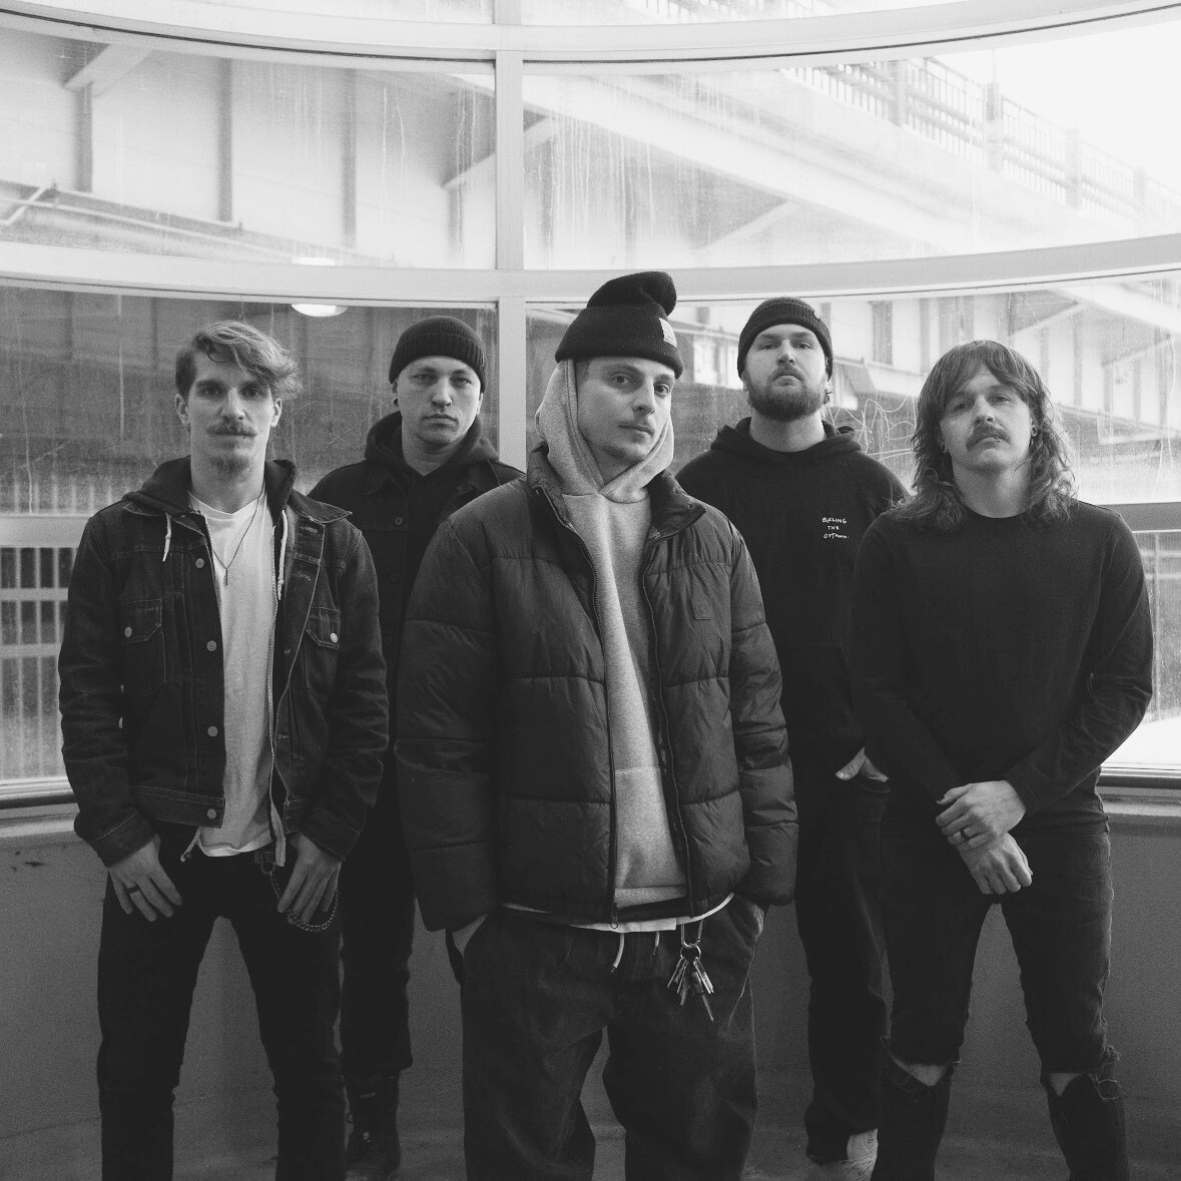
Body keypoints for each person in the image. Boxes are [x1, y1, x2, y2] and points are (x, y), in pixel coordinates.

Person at [396, 271, 797, 1180]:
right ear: (563, 385)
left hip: (695, 922)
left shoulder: (711, 539)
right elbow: (436, 741)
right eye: (622, 378)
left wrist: (759, 885)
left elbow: (757, 718)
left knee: (699, 1147)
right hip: (537, 927)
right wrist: (467, 917)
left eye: (662, 386)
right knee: (523, 1156)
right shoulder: (478, 536)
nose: (647, 404)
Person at [59, 321, 388, 1181]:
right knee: (133, 1075)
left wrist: (333, 837)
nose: (231, 409)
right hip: (159, 848)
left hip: (291, 853)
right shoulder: (119, 537)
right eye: (212, 389)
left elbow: (364, 706)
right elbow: (86, 700)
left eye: (251, 392)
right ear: (182, 407)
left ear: (277, 412)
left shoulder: (332, 543)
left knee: (313, 1073)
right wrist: (119, 837)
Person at [848, 340, 1152, 1181]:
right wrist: (965, 812)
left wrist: (1014, 796)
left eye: (1002, 397)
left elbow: (1124, 690)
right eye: (960, 402)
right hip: (924, 825)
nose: (983, 412)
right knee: (919, 1042)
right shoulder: (893, 543)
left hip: (1056, 823)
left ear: (1035, 420)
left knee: (1072, 1044)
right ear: (937, 433)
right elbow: (874, 693)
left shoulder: (1099, 541)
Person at [678, 297, 905, 1180]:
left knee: (854, 965)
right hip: (717, 770)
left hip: (845, 772)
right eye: (766, 342)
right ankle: (700, 1144)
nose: (784, 353)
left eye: (801, 342)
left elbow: (907, 633)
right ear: (742, 371)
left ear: (825, 372)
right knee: (704, 964)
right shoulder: (696, 485)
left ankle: (845, 1137)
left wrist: (878, 744)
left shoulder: (872, 489)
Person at [310, 316, 520, 1180]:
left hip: (481, 777)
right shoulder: (340, 495)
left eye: (461, 381)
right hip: (366, 772)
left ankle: (508, 1131)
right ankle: (373, 1125)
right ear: (392, 388)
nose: (442, 394)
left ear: (479, 396)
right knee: (370, 959)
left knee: (498, 962)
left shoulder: (515, 495)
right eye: (425, 376)